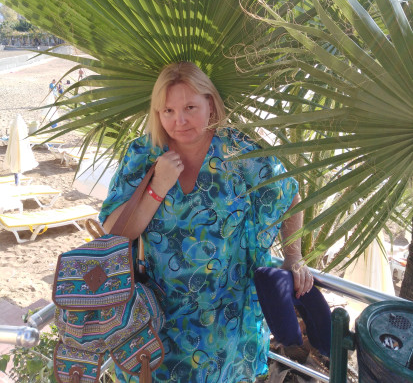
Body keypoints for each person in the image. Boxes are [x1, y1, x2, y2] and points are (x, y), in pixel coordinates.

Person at [99, 62, 313, 383]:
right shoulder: (144, 153)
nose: (179, 120)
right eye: (168, 110)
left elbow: (290, 196)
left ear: (210, 103)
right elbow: (116, 233)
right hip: (155, 320)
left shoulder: (240, 153)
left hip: (225, 324)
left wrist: (293, 257)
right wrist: (157, 188)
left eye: (190, 107)